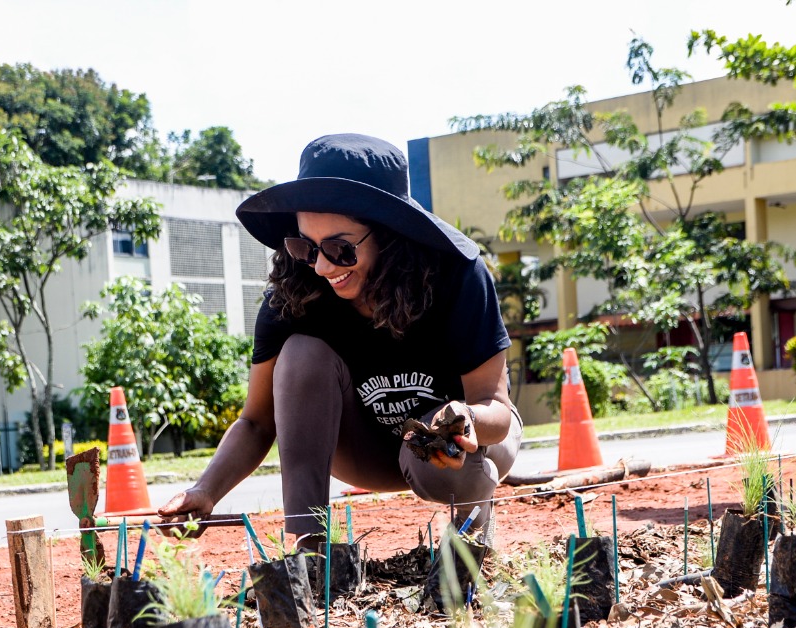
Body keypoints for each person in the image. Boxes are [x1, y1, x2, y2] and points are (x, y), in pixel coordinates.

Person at [157, 134, 522, 555]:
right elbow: (257, 422)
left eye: (339, 248)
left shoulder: (457, 276)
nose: (322, 266)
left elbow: (494, 406)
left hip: (457, 450)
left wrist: (464, 417)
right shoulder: (294, 295)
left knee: (442, 446)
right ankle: (313, 552)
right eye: (305, 247)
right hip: (363, 451)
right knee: (299, 353)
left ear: (389, 234)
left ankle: (471, 547)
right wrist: (205, 490)